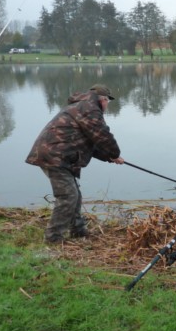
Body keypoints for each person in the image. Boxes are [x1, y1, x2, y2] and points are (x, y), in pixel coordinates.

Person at [26, 84, 125, 244]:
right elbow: (102, 135)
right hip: (55, 156)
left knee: (75, 195)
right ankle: (53, 239)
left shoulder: (82, 106)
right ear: (103, 100)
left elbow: (91, 143)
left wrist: (109, 157)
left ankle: (78, 232)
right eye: (108, 102)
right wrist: (115, 153)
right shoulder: (90, 109)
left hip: (61, 155)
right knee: (68, 196)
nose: (107, 106)